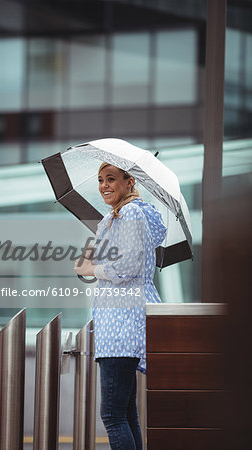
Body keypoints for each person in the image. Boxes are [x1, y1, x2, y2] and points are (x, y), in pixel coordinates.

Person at [74, 162, 167, 450]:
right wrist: (93, 260)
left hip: (120, 325)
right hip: (124, 320)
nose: (104, 186)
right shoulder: (122, 216)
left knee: (113, 415)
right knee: (126, 413)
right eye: (101, 180)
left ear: (129, 181)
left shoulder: (129, 214)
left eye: (111, 179)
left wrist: (92, 269)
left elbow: (126, 266)